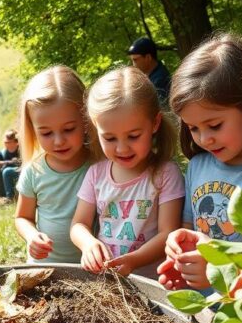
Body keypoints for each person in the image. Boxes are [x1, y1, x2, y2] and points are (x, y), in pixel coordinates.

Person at [155, 35, 242, 291]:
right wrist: (177, 248)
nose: (204, 139)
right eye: (193, 128)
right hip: (201, 302)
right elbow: (189, 227)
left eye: (214, 125)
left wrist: (217, 266)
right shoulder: (198, 166)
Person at [71, 66, 185, 278]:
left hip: (152, 282)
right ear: (96, 128)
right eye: (110, 138)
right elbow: (79, 224)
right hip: (108, 281)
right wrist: (88, 244)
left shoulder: (166, 174)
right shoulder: (96, 174)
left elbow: (167, 233)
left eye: (133, 136)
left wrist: (134, 260)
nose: (122, 148)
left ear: (155, 123)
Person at [14, 66, 95, 264]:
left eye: (68, 129)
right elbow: (22, 217)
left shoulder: (100, 165)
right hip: (45, 268)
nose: (58, 141)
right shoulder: (34, 171)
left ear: (85, 120)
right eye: (46, 133)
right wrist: (32, 236)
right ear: (32, 130)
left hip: (90, 268)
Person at [127, 36, 172, 106]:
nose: (133, 64)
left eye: (135, 60)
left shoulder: (160, 81)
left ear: (148, 57)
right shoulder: (152, 76)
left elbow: (160, 111)